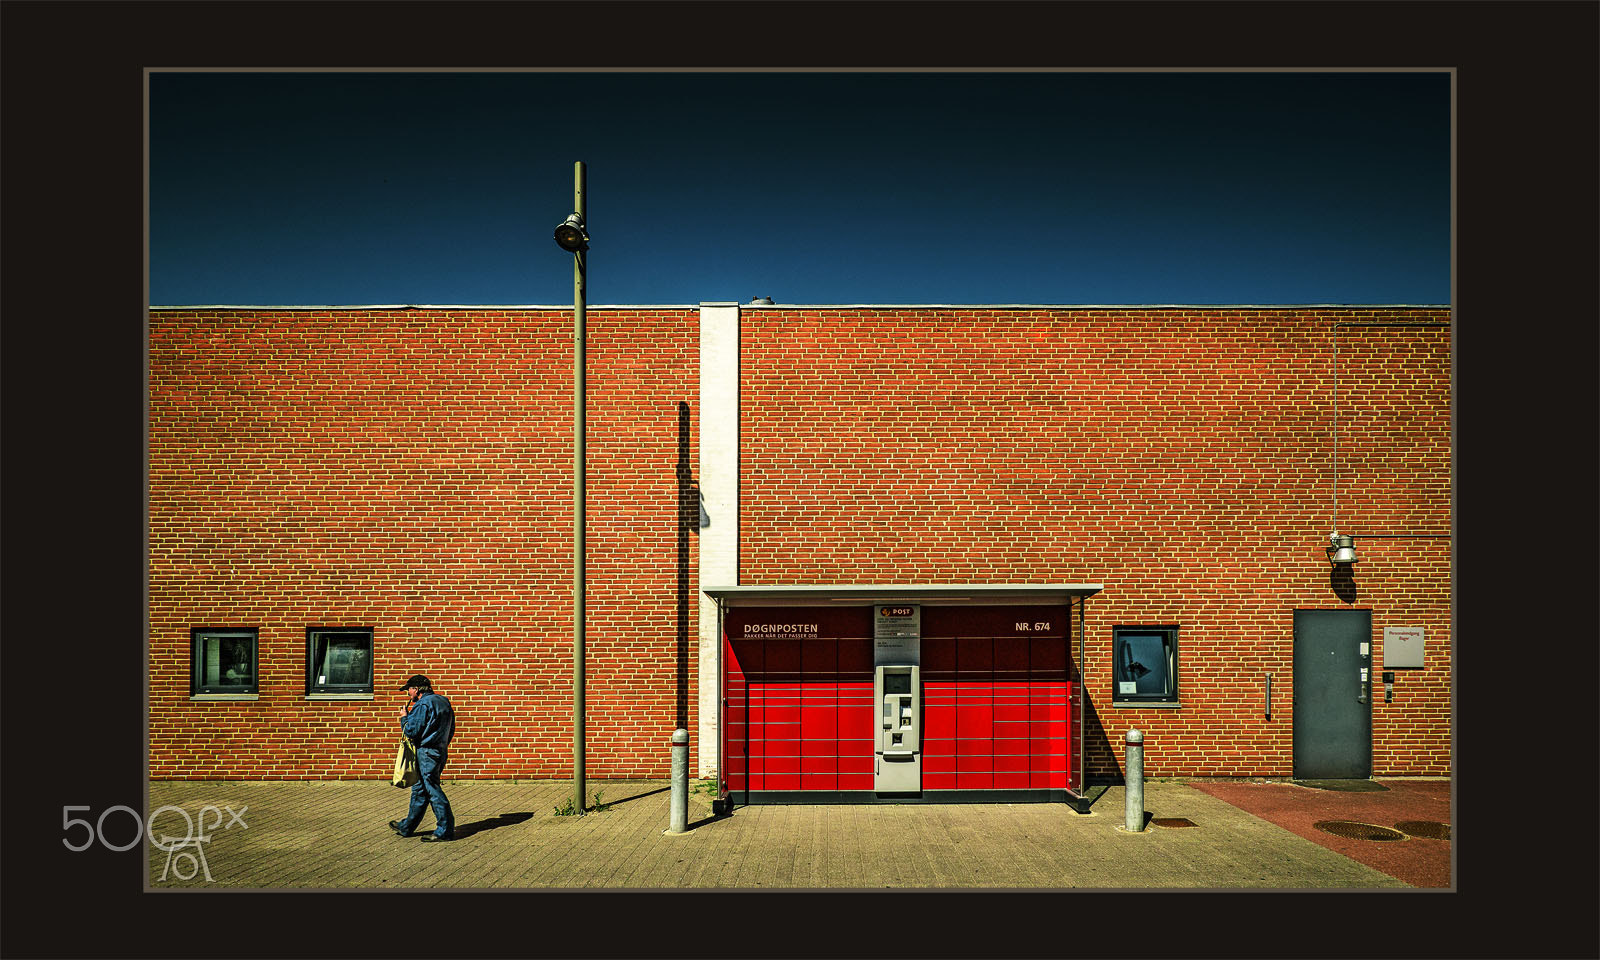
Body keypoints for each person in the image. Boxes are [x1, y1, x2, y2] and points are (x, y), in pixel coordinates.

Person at [388, 674, 456, 842]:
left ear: (416, 689)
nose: (408, 694)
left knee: (432, 789)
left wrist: (404, 717)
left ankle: (445, 830)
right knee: (420, 789)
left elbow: (411, 731)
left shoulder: (422, 705)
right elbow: (451, 728)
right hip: (440, 750)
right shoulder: (443, 701)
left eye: (409, 690)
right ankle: (407, 827)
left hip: (426, 752)